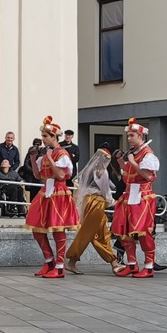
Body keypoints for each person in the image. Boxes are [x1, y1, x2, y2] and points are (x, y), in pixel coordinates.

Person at [26, 116, 78, 278]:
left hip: (59, 193)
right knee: (37, 229)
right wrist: (34, 159)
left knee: (57, 230)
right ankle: (49, 261)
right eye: (42, 136)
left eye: (45, 136)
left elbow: (62, 175)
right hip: (46, 192)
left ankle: (60, 266)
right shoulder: (47, 153)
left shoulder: (62, 154)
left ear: (54, 137)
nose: (43, 139)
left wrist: (50, 159)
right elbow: (38, 175)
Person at [109, 119, 159, 277]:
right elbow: (128, 173)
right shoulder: (134, 153)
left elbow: (148, 176)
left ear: (140, 136)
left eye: (132, 135)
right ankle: (132, 264)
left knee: (144, 232)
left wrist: (132, 163)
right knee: (125, 231)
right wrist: (120, 161)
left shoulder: (147, 154)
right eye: (128, 135)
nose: (128, 138)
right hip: (129, 195)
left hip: (143, 196)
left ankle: (149, 266)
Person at [67, 149, 118, 274]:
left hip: (87, 200)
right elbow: (106, 191)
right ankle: (72, 261)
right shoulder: (102, 172)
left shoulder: (88, 170)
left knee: (98, 232)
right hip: (97, 202)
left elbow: (80, 184)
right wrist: (113, 202)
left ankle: (114, 263)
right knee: (91, 233)